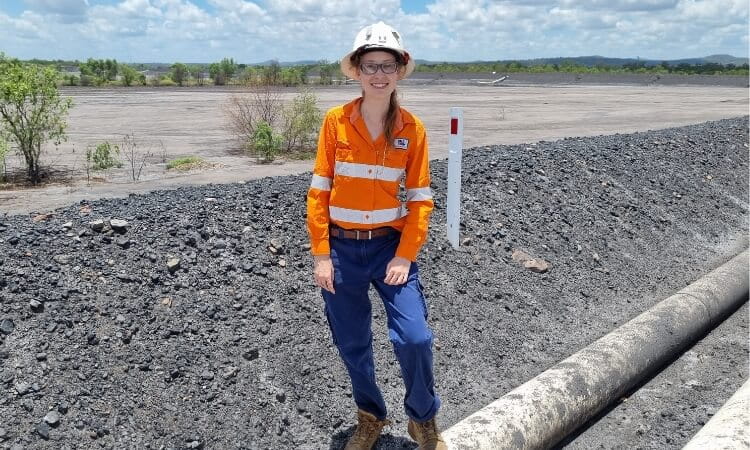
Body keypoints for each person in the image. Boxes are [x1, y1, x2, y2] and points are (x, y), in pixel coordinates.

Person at [306, 21, 446, 450]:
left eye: (387, 64)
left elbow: (421, 199)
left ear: (400, 69)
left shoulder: (412, 129)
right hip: (342, 251)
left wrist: (405, 256)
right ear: (357, 71)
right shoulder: (335, 122)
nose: (379, 74)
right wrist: (321, 254)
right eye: (370, 66)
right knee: (353, 342)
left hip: (389, 248)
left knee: (415, 338)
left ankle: (422, 420)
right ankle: (370, 415)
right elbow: (319, 190)